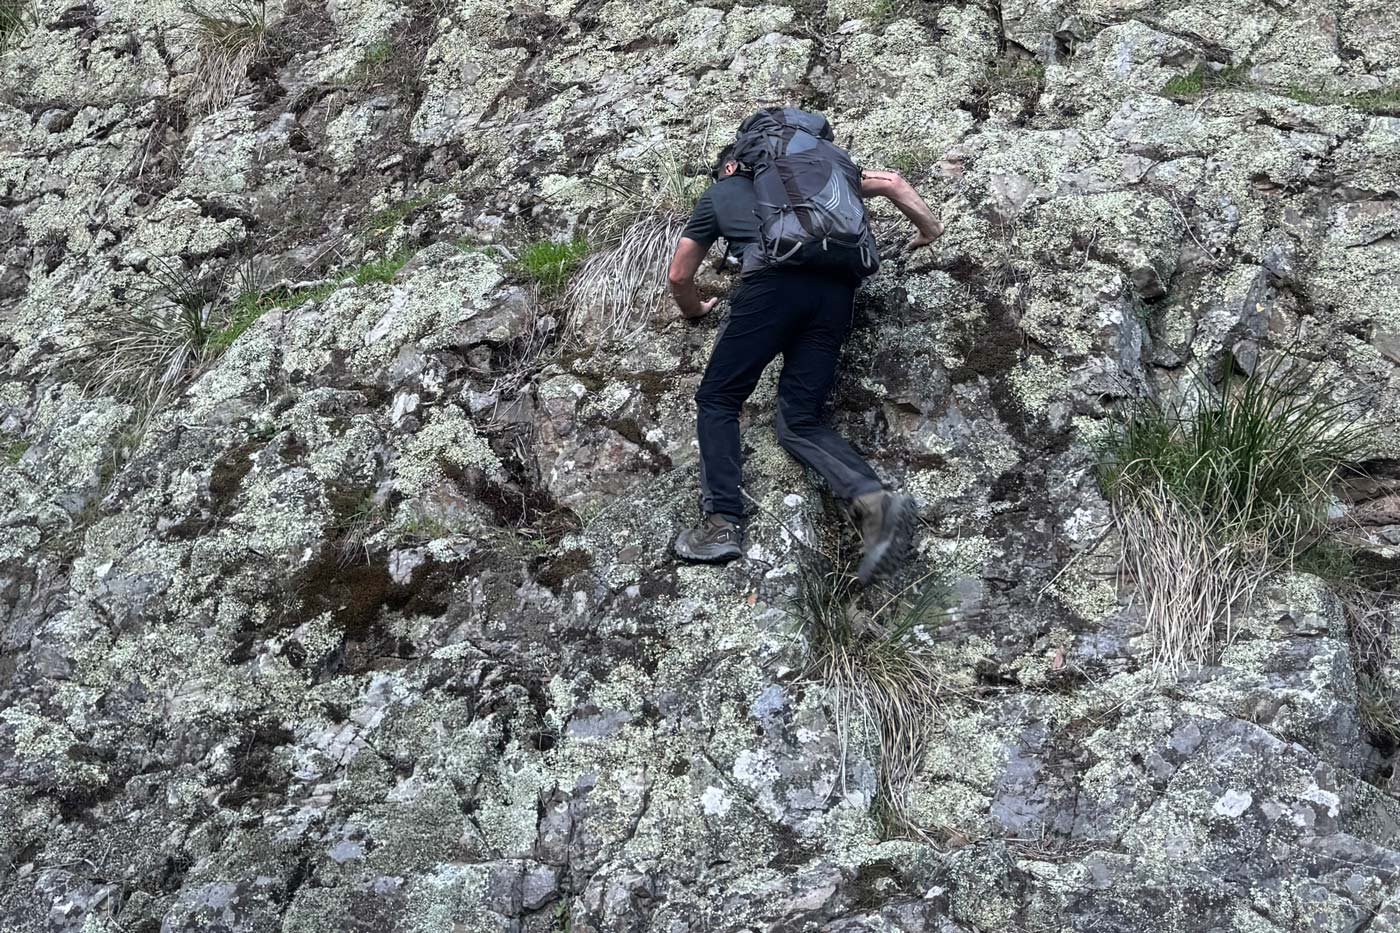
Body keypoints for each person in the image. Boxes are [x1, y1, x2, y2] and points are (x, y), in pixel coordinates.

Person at [667, 136, 944, 585]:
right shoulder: (821, 177)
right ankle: (877, 505)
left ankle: (721, 522)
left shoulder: (721, 192)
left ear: (733, 167)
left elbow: (680, 274)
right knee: (799, 421)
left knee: (719, 399)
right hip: (836, 293)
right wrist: (928, 231)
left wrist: (695, 309)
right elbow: (893, 182)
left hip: (771, 289)